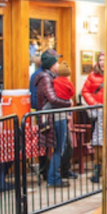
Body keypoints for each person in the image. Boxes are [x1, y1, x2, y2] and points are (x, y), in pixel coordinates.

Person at [34, 49, 72, 188]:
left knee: (58, 147)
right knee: (58, 148)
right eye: (56, 61)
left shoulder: (49, 77)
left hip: (53, 116)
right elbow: (52, 98)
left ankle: (54, 176)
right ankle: (53, 178)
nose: (58, 64)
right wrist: (68, 104)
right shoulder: (46, 78)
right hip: (54, 117)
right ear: (51, 64)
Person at [82, 52, 107, 183]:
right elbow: (85, 91)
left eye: (105, 60)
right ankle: (97, 172)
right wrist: (95, 104)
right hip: (97, 113)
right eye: (100, 60)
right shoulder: (93, 76)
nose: (102, 62)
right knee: (97, 143)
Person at [53, 61, 78, 180]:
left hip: (59, 115)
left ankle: (62, 171)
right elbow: (72, 93)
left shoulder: (54, 82)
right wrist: (69, 102)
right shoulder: (67, 83)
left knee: (62, 145)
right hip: (61, 116)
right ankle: (57, 174)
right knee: (62, 146)